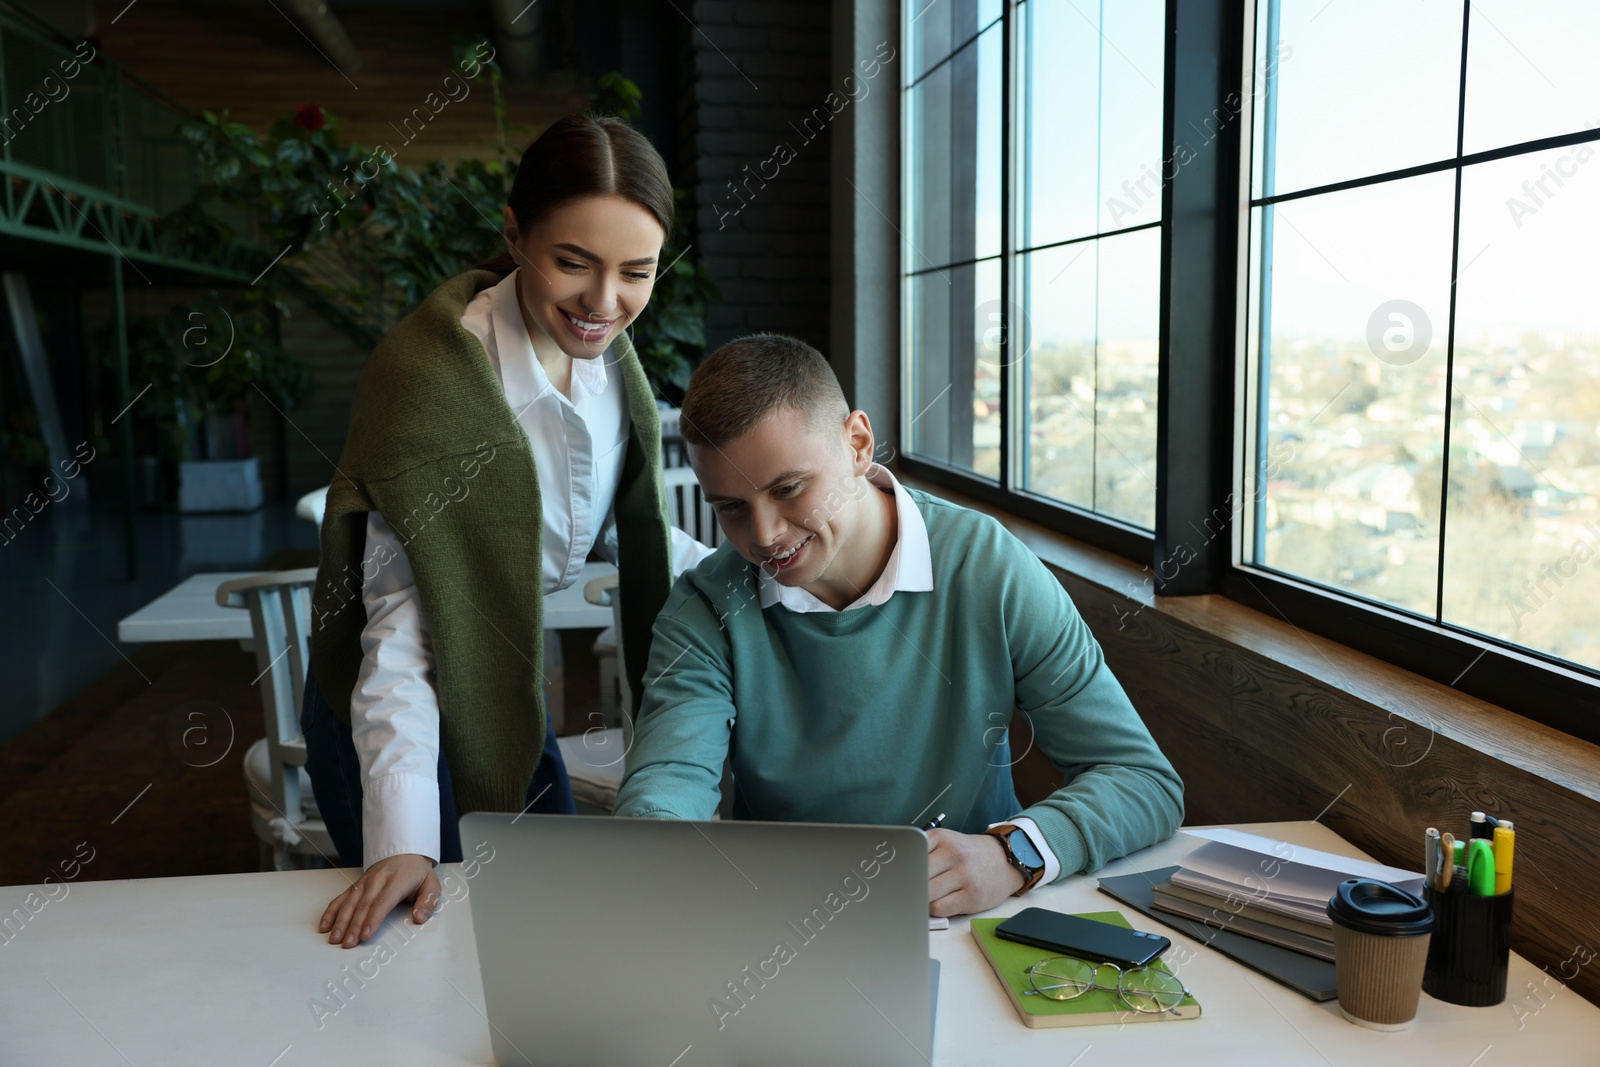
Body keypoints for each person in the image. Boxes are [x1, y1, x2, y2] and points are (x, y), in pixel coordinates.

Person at [305, 115, 709, 948]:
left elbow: (608, 533)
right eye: (573, 263)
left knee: (547, 937)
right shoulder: (431, 380)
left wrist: (777, 561)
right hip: (391, 715)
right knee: (429, 954)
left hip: (505, 691)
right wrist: (407, 838)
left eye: (637, 272)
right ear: (514, 233)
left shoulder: (610, 364)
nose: (604, 304)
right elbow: (400, 633)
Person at [612, 334, 1184, 916]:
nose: (764, 535)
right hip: (784, 926)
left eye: (788, 489)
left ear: (858, 444)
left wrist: (1014, 854)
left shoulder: (987, 566)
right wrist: (651, 854)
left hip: (967, 921)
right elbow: (668, 782)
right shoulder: (706, 605)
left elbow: (1140, 779)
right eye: (730, 507)